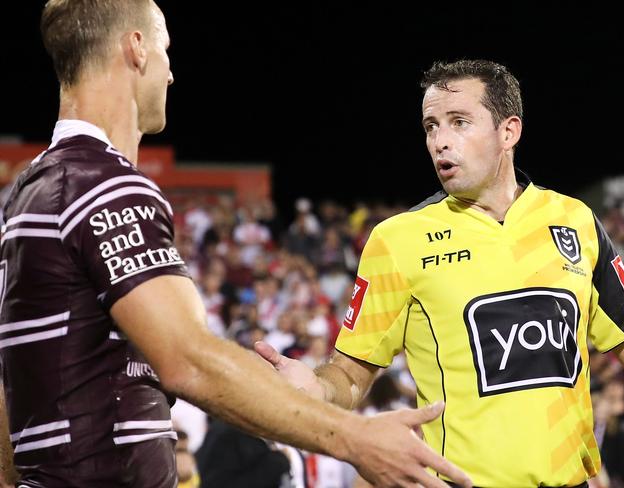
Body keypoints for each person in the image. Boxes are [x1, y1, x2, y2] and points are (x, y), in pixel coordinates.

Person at [0, 2, 472, 487]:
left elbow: (9, 381)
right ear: (136, 48)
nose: (171, 74)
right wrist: (355, 438)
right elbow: (187, 359)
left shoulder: (31, 187)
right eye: (165, 50)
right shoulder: (103, 184)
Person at [255, 59, 624, 487]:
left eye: (458, 122)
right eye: (430, 126)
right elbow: (350, 375)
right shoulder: (399, 240)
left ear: (508, 132)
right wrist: (317, 389)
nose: (440, 141)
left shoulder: (575, 221)